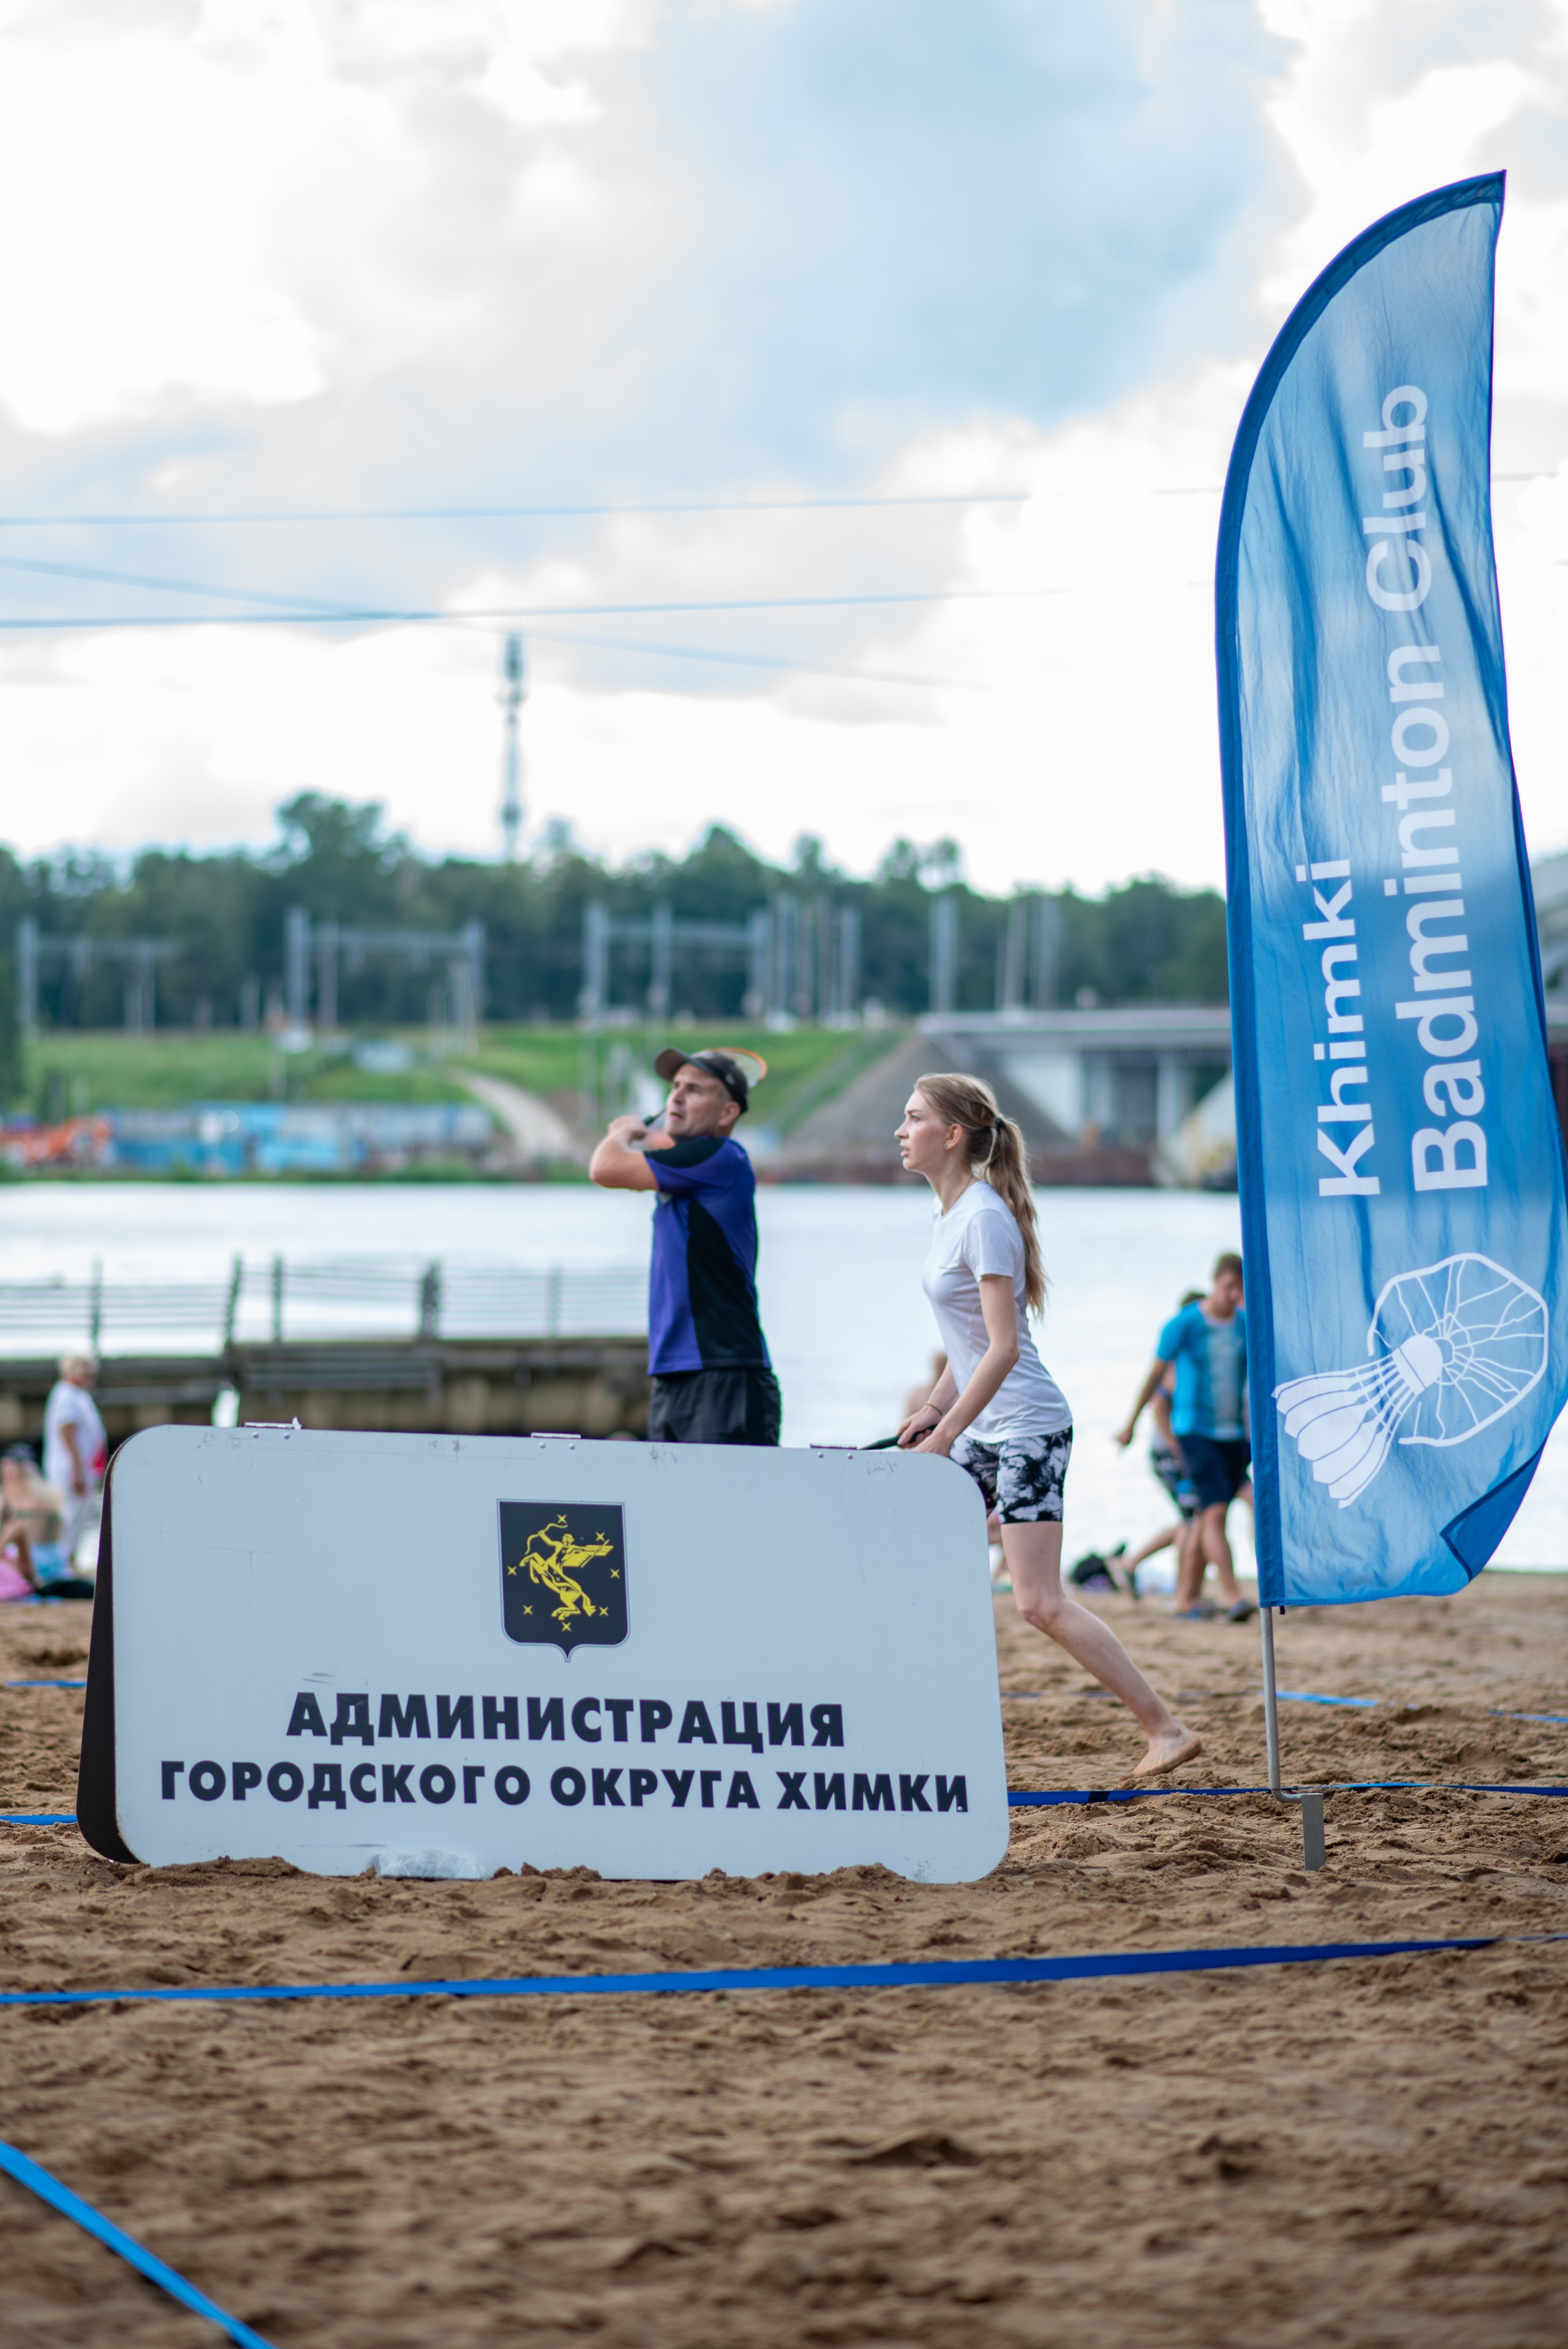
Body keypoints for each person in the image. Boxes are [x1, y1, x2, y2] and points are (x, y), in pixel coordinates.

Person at [894, 1073, 1200, 1781]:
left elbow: (1004, 1350)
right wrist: (934, 1410)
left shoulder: (981, 1217)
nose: (901, 1132)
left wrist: (946, 1435)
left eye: (913, 1119)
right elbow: (969, 1344)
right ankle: (918, 1716)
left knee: (1037, 1601)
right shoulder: (949, 1218)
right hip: (983, 1426)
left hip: (1027, 1428)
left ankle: (1166, 1728)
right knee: (915, 1554)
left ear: (952, 1135)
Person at [589, 1046, 781, 1446]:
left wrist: (621, 1133)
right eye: (674, 1087)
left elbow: (604, 1167)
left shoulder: (720, 1156)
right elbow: (663, 1145)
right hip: (675, 1374)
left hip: (724, 1372)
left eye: (694, 1090)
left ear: (728, 1113)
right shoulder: (689, 1166)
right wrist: (649, 1136)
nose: (676, 1095)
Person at [1115, 1253, 1255, 1623]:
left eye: (1240, 1290)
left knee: (1235, 1507)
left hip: (1236, 1434)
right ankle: (1231, 1594)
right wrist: (1130, 1423)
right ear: (1216, 1282)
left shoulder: (1245, 1325)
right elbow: (1155, 1378)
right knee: (1211, 1514)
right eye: (1229, 1287)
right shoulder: (1184, 1324)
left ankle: (1200, 1593)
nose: (1234, 1295)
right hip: (1194, 1433)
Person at [0, 1446, 94, 1600]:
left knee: (12, 1536)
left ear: (16, 1469)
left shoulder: (13, 1489)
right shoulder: (50, 1491)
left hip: (35, 1560)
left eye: (5, 1467)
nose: (3, 1472)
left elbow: (11, 1528)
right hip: (58, 1558)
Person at [43, 1354, 106, 1566]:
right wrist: (78, 1471)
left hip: (85, 1468)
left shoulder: (80, 1395)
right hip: (71, 1469)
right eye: (85, 1369)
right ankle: (63, 1562)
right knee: (70, 1514)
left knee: (82, 1515)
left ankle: (71, 1560)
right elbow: (67, 1431)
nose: (90, 1374)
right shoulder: (66, 1395)